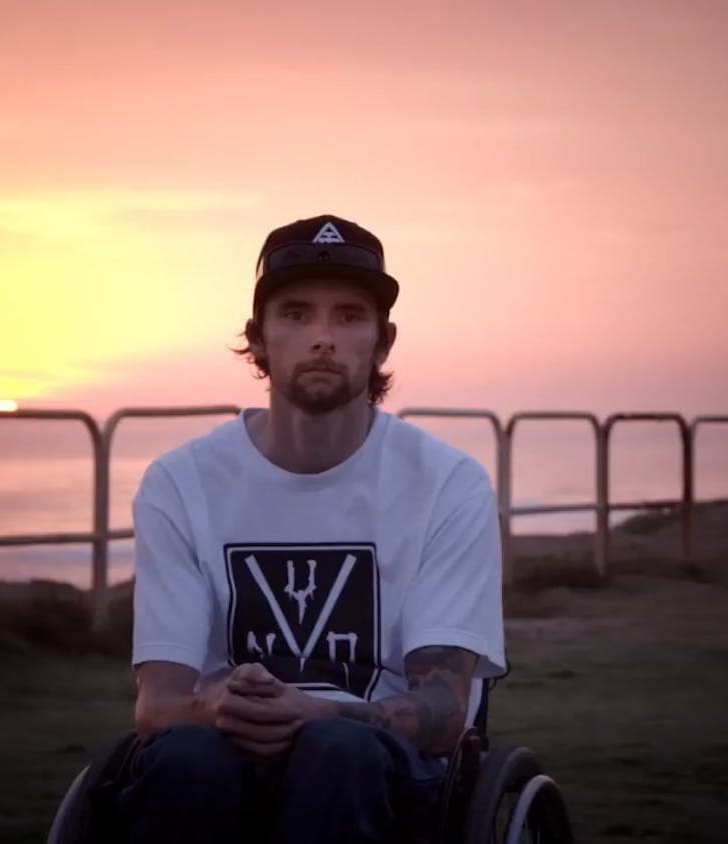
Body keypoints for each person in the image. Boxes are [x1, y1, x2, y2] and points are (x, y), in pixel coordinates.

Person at [120, 213, 506, 843]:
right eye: (296, 314)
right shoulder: (180, 483)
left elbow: (445, 712)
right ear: (260, 340)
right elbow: (157, 708)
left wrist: (318, 713)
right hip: (222, 750)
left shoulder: (446, 485)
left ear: (383, 342)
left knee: (336, 750)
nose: (322, 338)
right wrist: (213, 706)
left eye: (349, 317)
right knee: (186, 758)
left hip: (373, 772)